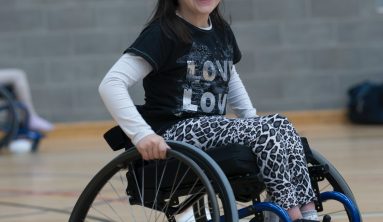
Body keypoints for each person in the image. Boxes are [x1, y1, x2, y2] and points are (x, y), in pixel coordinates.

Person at [99, 0, 321, 221]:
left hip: (211, 129)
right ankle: (290, 216)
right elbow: (111, 84)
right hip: (175, 132)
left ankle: (308, 213)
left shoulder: (221, 31)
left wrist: (252, 120)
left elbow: (231, 78)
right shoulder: (163, 32)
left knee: (280, 124)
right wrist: (142, 135)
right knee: (267, 129)